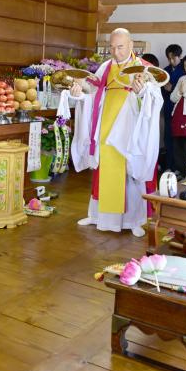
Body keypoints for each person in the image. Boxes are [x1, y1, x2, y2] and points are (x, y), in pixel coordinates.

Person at [69, 28, 162, 237]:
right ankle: (97, 216)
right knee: (103, 169)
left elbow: (156, 99)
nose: (116, 52)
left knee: (130, 172)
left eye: (120, 47)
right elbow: (92, 94)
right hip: (105, 125)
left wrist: (143, 92)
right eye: (112, 47)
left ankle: (134, 220)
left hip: (130, 128)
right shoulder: (105, 67)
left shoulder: (144, 68)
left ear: (131, 45)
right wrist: (79, 94)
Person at [162, 44, 184, 171]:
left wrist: (173, 88)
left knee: (179, 140)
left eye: (173, 58)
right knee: (168, 138)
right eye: (169, 58)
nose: (171, 61)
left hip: (181, 110)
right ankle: (169, 166)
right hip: (168, 108)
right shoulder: (164, 71)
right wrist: (165, 89)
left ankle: (179, 169)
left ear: (180, 56)